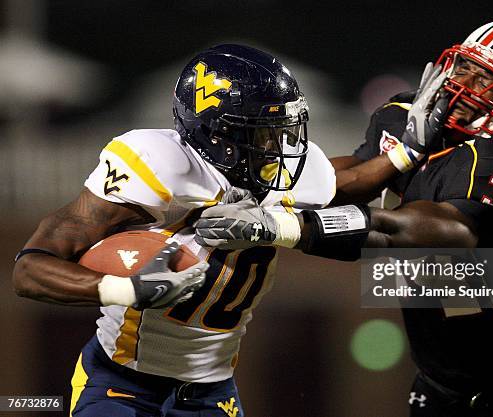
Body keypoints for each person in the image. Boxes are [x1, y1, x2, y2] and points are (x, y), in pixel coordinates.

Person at [195, 21, 493, 417]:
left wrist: (287, 227)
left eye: (488, 82)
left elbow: (422, 231)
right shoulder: (408, 120)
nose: (462, 85)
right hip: (437, 378)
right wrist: (268, 190)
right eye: (464, 68)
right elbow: (349, 179)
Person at [12, 44, 335, 417]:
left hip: (213, 392)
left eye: (282, 132)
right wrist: (126, 289)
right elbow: (29, 270)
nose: (277, 147)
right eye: (262, 133)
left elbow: (365, 208)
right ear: (215, 132)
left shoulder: (302, 175)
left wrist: (401, 154)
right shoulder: (161, 164)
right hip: (122, 382)